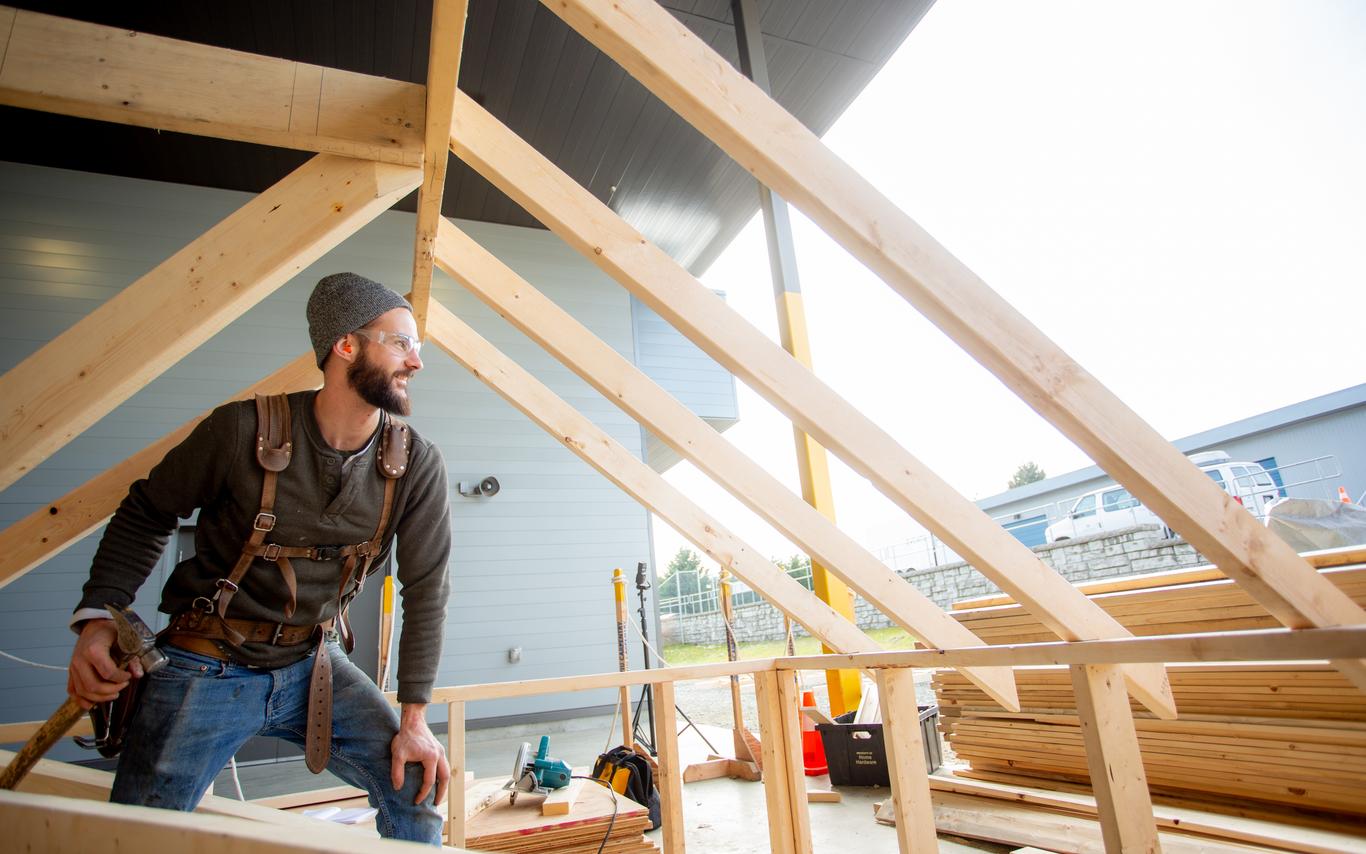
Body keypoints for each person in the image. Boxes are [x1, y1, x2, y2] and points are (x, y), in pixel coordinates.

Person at [66, 272, 452, 844]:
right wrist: (100, 618)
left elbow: (427, 589)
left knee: (416, 782)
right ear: (346, 345)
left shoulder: (416, 462)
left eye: (417, 346)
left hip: (314, 664)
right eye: (400, 342)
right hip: (206, 663)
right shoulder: (239, 431)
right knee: (141, 833)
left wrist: (415, 720)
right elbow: (147, 513)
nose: (416, 362)